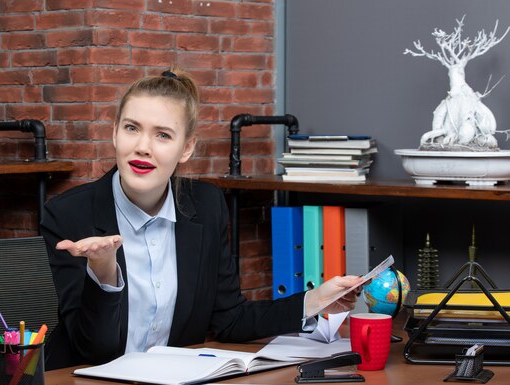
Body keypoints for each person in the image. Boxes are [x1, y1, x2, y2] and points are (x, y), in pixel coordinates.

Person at [40, 67, 365, 368]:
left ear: (187, 148)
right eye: (131, 128)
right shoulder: (69, 214)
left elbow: (230, 319)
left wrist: (314, 300)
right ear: (114, 133)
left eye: (163, 135)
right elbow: (90, 350)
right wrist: (103, 273)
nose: (142, 147)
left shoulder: (206, 206)